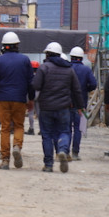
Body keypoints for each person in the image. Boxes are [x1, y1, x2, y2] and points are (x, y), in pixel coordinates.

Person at [32, 42, 83, 173]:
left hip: (46, 108)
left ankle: (48, 165)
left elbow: (36, 86)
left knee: (47, 135)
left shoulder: (44, 68)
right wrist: (80, 106)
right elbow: (77, 90)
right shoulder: (69, 69)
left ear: (48, 54)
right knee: (65, 131)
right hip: (64, 107)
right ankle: (62, 150)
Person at [0, 31, 34, 170]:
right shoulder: (25, 60)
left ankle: (5, 160)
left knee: (5, 128)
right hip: (19, 98)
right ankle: (17, 146)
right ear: (17, 45)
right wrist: (30, 99)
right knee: (19, 126)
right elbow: (31, 82)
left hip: (2, 98)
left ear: (4, 45)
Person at [68, 47, 96, 161]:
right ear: (81, 58)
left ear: (71, 57)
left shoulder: (67, 68)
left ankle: (65, 151)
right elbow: (93, 84)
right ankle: (75, 153)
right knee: (78, 129)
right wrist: (85, 89)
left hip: (67, 103)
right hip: (81, 104)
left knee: (66, 129)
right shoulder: (86, 70)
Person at [26, 61, 40, 135]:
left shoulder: (29, 76)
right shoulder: (39, 76)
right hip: (39, 95)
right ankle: (41, 129)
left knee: (30, 112)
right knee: (39, 113)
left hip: (30, 96)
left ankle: (31, 128)